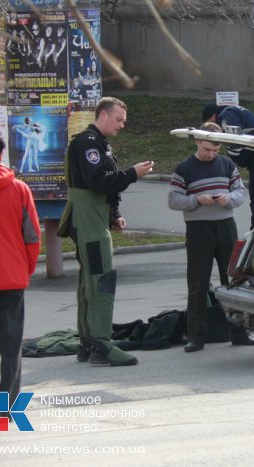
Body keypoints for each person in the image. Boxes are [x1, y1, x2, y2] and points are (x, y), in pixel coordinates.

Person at [58, 96, 155, 366]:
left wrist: (114, 214)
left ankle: (88, 343)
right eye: (119, 119)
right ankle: (101, 345)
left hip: (93, 217)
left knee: (89, 280)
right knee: (101, 279)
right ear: (102, 115)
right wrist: (133, 173)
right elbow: (99, 181)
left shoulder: (97, 144)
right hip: (89, 222)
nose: (122, 124)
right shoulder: (88, 143)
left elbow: (102, 186)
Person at [168, 122, 254, 352]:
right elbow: (173, 199)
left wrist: (227, 199)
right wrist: (197, 201)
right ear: (198, 141)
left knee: (232, 279)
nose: (211, 154)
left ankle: (239, 332)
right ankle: (196, 337)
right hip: (198, 228)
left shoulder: (227, 165)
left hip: (225, 225)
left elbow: (241, 192)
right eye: (207, 149)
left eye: (215, 150)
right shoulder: (184, 168)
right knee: (198, 282)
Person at [0, 133, 41, 419]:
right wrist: (24, 269)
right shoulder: (19, 189)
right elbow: (32, 236)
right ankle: (9, 403)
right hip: (11, 276)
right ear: (1, 155)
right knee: (11, 343)